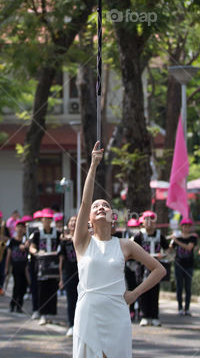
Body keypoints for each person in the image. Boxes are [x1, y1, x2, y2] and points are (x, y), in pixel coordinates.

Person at [72, 142, 165, 358]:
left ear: (113, 217)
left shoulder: (126, 245)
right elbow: (85, 201)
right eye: (97, 207)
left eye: (105, 205)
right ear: (89, 218)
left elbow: (159, 270)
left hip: (117, 312)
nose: (100, 207)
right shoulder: (83, 242)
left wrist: (134, 294)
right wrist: (94, 165)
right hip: (88, 311)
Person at [132, 210, 168, 326]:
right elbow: (132, 248)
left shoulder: (159, 235)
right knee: (142, 290)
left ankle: (154, 315)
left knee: (154, 291)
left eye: (151, 220)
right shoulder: (139, 235)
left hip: (155, 267)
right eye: (146, 220)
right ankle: (145, 315)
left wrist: (163, 254)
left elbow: (167, 249)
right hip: (141, 267)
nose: (149, 223)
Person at [30, 207, 61, 324]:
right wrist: (37, 252)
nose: (47, 221)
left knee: (52, 289)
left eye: (49, 219)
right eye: (45, 219)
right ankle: (42, 313)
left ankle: (51, 314)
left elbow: (60, 246)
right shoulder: (37, 233)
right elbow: (32, 247)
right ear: (42, 220)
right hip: (41, 266)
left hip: (53, 265)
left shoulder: (57, 233)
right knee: (41, 289)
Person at [169, 217, 197, 316]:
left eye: (188, 226)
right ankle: (180, 307)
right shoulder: (177, 237)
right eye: (185, 226)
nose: (186, 228)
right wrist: (171, 240)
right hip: (178, 265)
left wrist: (176, 241)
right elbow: (169, 249)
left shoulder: (193, 238)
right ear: (182, 227)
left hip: (189, 265)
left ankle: (187, 308)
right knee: (179, 287)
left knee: (188, 287)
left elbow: (189, 247)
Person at [5, 217, 31, 313]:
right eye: (18, 227)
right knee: (16, 286)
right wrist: (6, 267)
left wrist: (27, 246)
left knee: (23, 287)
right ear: (15, 228)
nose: (20, 229)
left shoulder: (26, 241)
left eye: (22, 227)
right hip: (15, 266)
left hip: (24, 267)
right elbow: (8, 254)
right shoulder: (12, 241)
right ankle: (13, 304)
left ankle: (19, 305)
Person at [59, 215, 80, 336]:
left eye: (76, 221)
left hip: (81, 274)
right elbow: (61, 261)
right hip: (68, 274)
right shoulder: (63, 241)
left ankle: (81, 325)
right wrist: (61, 278)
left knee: (82, 301)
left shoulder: (84, 238)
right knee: (71, 300)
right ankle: (71, 324)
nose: (73, 223)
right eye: (71, 221)